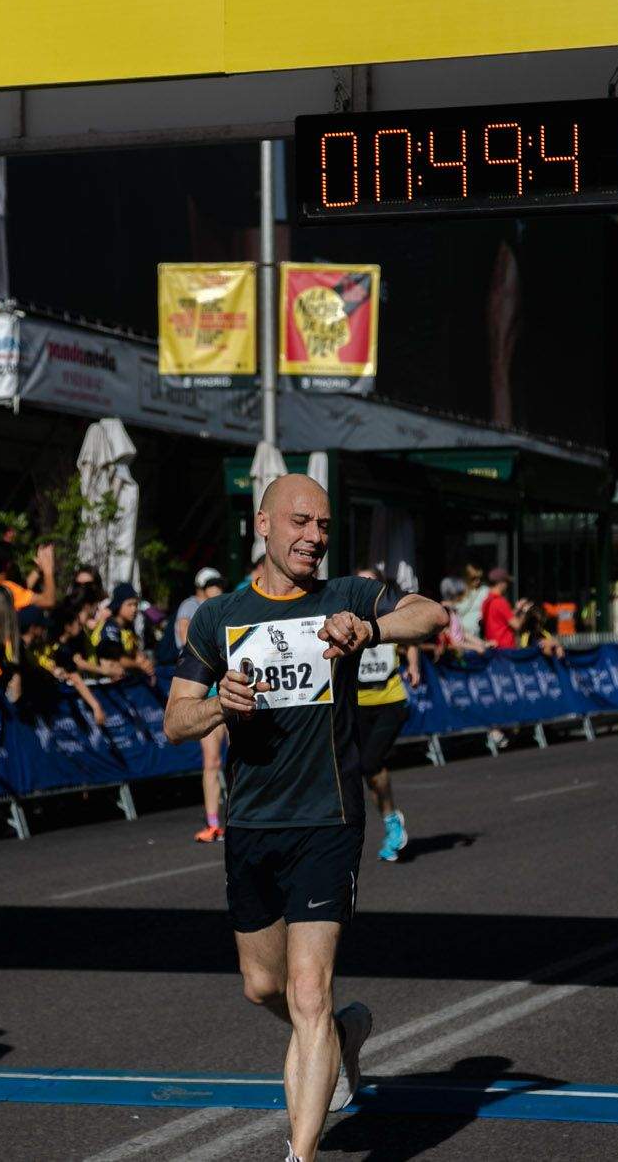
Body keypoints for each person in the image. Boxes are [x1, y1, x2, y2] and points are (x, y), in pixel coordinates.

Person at [164, 477, 447, 1162]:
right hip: (253, 824)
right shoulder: (219, 616)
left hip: (328, 818)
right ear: (262, 523)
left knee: (307, 991)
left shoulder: (344, 596)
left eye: (323, 524)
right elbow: (175, 720)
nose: (314, 536)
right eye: (300, 521)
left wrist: (370, 627)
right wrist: (221, 704)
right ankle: (345, 1037)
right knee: (265, 987)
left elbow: (432, 614)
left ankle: (299, 1153)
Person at [354, 566, 421, 863]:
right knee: (370, 771)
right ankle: (391, 820)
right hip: (357, 703)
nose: (367, 586)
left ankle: (392, 822)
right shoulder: (345, 616)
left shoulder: (391, 614)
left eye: (372, 582)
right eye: (361, 582)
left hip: (391, 701)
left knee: (370, 763)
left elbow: (411, 640)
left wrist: (414, 666)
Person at [177, 568, 231, 843]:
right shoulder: (192, 608)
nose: (215, 588)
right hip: (206, 691)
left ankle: (240, 815)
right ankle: (212, 823)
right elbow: (185, 642)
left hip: (230, 687)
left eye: (218, 584)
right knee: (212, 760)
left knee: (241, 754)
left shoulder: (229, 608)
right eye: (210, 585)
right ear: (201, 588)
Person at [95, 583, 156, 676]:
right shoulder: (110, 627)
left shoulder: (127, 628)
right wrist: (139, 666)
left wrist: (145, 663)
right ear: (118, 605)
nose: (134, 609)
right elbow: (117, 658)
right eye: (129, 605)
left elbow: (136, 653)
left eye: (136, 604)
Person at [481, 568, 516, 649]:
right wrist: (524, 612)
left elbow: (498, 619)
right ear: (501, 583)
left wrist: (517, 609)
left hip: (493, 647)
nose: (507, 586)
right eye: (506, 582)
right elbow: (516, 625)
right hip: (505, 648)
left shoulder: (486, 601)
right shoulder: (500, 602)